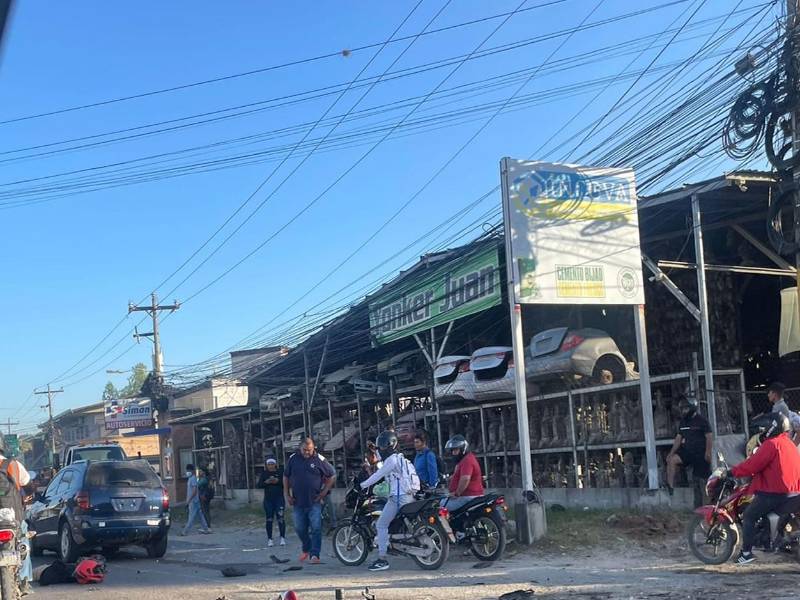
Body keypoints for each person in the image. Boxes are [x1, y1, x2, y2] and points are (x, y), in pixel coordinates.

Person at [729, 412, 800, 564]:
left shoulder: (771, 444)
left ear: (771, 427)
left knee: (749, 516)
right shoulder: (789, 444)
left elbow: (752, 465)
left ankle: (746, 554)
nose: (762, 431)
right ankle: (769, 541)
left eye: (764, 428)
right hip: (793, 492)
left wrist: (732, 472)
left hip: (775, 493)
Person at [359, 430, 419, 572]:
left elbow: (378, 475)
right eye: (380, 447)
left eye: (382, 447)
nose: (381, 450)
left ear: (390, 446)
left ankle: (382, 559)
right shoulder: (400, 458)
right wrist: (373, 449)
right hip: (408, 495)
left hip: (398, 498)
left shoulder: (391, 460)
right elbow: (378, 461)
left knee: (381, 525)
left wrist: (362, 485)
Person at [283, 438, 335, 564]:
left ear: (313, 448)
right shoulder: (293, 459)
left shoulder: (319, 459)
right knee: (299, 528)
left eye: (310, 450)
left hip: (315, 501)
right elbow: (285, 476)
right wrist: (287, 494)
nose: (307, 452)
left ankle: (314, 554)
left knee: (316, 528)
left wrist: (323, 492)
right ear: (300, 448)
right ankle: (307, 547)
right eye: (304, 450)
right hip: (297, 501)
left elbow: (332, 475)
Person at [666, 395, 712, 494]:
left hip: (700, 453)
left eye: (686, 408)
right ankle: (670, 487)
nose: (683, 411)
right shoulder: (683, 422)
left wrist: (708, 452)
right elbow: (678, 439)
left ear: (692, 407)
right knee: (672, 460)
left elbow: (709, 437)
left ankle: (705, 504)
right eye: (682, 409)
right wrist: (671, 453)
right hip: (688, 451)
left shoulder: (702, 421)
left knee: (700, 481)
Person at [442, 434, 484, 512]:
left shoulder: (467, 460)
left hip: (468, 496)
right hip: (468, 496)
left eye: (456, 450)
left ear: (463, 449)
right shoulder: (465, 460)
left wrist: (457, 493)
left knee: (440, 505)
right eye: (452, 450)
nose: (454, 453)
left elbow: (465, 479)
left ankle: (448, 524)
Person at [257, 458, 286, 547]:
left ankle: (282, 537)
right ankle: (270, 539)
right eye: (269, 464)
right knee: (269, 519)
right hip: (268, 500)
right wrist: (267, 482)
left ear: (275, 464)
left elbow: (286, 483)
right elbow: (259, 485)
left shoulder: (280, 472)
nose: (270, 466)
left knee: (280, 518)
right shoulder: (264, 474)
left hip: (279, 499)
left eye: (272, 464)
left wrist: (277, 481)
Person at [181, 464, 211, 536]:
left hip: (193, 501)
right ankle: (206, 529)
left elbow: (194, 491)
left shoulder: (193, 479)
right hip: (195, 500)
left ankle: (185, 531)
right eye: (187, 470)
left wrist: (189, 500)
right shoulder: (191, 478)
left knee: (191, 517)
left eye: (188, 470)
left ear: (192, 471)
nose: (187, 472)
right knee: (200, 515)